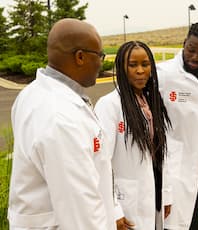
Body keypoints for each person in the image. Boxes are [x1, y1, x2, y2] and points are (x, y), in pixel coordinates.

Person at [8, 18, 122, 229]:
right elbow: (80, 212)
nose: (101, 63)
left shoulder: (31, 94)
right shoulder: (60, 117)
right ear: (80, 57)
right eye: (100, 55)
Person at [94, 41, 171, 230]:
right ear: (121, 68)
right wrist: (114, 209)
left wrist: (166, 193)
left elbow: (161, 152)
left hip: (153, 192)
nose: (140, 71)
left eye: (145, 64)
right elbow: (102, 162)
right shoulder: (109, 105)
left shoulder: (151, 102)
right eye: (132, 65)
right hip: (126, 201)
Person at [157, 21, 198, 229]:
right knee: (172, 222)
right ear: (184, 43)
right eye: (191, 49)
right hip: (173, 165)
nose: (195, 57)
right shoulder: (162, 74)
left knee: (194, 219)